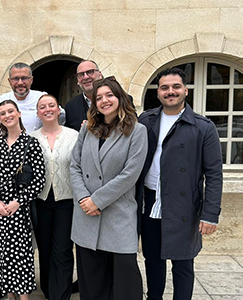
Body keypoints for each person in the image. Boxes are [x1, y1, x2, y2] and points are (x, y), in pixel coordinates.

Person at [137, 67, 223, 300]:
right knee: (153, 260)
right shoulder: (146, 119)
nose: (170, 92)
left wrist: (210, 214)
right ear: (158, 93)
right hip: (150, 199)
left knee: (183, 264)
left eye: (176, 87)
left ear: (185, 90)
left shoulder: (203, 127)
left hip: (184, 204)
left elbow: (214, 174)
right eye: (165, 87)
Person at [70, 77, 148, 300]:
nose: (104, 100)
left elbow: (130, 174)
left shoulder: (137, 131)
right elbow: (74, 165)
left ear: (119, 97)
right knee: (92, 280)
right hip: (86, 213)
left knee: (125, 279)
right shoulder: (88, 129)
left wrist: (98, 200)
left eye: (109, 95)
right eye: (99, 97)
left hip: (118, 214)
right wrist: (85, 198)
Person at [0, 100, 46, 300]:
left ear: (18, 114)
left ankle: (23, 296)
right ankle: (9, 296)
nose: (7, 115)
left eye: (10, 111)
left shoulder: (31, 143)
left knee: (19, 254)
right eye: (2, 113)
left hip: (19, 209)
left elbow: (39, 179)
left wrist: (19, 201)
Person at [30, 95, 78, 300]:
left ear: (59, 110)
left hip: (66, 201)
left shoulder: (74, 135)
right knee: (45, 248)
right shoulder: (30, 138)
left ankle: (61, 293)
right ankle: (49, 290)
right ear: (38, 113)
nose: (47, 109)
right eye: (43, 107)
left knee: (63, 248)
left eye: (52, 106)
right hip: (40, 201)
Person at [0, 62, 65, 133]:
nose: (20, 82)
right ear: (9, 81)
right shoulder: (0, 101)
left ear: (31, 80)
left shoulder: (41, 98)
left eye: (24, 78)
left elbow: (61, 115)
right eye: (16, 79)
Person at [64, 60, 136, 131]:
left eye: (90, 72)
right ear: (77, 80)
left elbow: (133, 126)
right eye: (81, 74)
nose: (85, 77)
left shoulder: (123, 99)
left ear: (100, 74)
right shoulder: (70, 106)